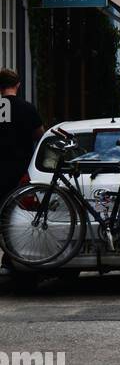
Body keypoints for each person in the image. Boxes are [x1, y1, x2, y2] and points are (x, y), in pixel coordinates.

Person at [0, 69, 44, 270]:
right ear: (18, 84)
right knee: (14, 213)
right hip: (19, 168)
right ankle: (11, 255)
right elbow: (39, 134)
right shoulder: (26, 108)